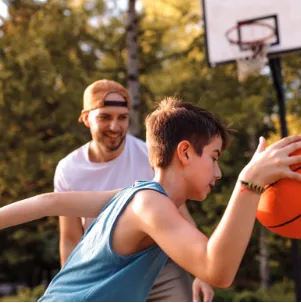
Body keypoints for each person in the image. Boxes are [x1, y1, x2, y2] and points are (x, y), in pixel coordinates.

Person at [0, 97, 301, 302]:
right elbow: (217, 270)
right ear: (184, 152)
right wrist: (249, 184)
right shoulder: (148, 204)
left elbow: (48, 202)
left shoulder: (133, 195)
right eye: (214, 156)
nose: (218, 172)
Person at [55, 79, 213, 302]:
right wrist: (72, 291)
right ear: (86, 118)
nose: (115, 127)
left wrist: (201, 271)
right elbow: (71, 238)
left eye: (122, 118)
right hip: (105, 270)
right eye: (105, 117)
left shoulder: (149, 155)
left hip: (159, 266)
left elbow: (181, 215)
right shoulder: (69, 170)